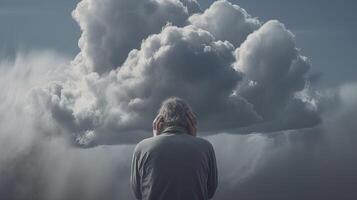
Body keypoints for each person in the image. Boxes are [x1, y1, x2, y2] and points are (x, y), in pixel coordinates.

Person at [130, 97, 218, 200]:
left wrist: (156, 139)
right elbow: (210, 188)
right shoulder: (206, 147)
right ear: (190, 121)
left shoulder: (142, 147)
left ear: (160, 121)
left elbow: (137, 191)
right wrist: (192, 139)